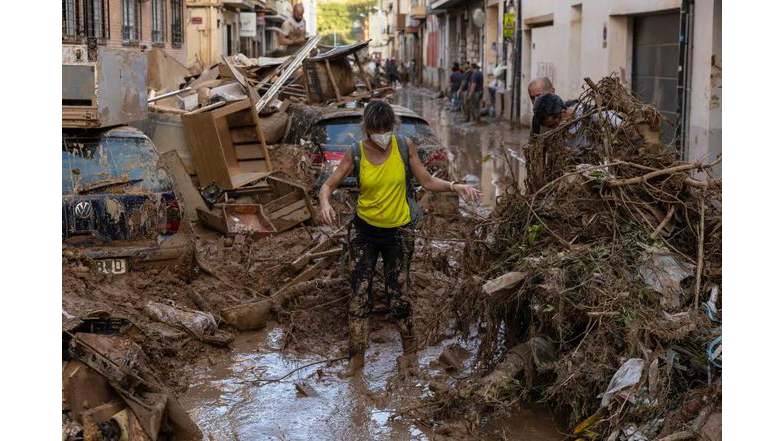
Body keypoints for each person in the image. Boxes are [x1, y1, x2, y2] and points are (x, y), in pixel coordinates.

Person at [318, 101, 481, 377]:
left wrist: (456, 186)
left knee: (399, 296)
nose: (381, 134)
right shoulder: (357, 152)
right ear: (367, 129)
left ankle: (410, 354)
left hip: (399, 234)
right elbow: (327, 185)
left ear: (391, 127)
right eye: (376, 129)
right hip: (364, 232)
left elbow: (427, 181)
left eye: (385, 129)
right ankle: (355, 361)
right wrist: (325, 203)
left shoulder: (404, 146)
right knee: (359, 296)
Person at [532, 93, 622, 149]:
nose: (552, 130)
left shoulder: (592, 115)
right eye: (549, 127)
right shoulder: (554, 134)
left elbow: (624, 127)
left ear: (563, 112)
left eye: (553, 125)